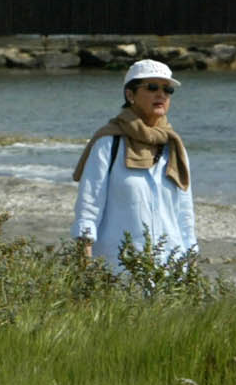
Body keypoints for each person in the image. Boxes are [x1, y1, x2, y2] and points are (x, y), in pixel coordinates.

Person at [71, 58, 197, 271]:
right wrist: (85, 269)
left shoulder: (174, 146)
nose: (161, 95)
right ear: (130, 95)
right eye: (152, 87)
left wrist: (190, 262)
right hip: (118, 271)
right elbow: (88, 210)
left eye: (167, 90)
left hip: (169, 271)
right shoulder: (108, 144)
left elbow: (184, 213)